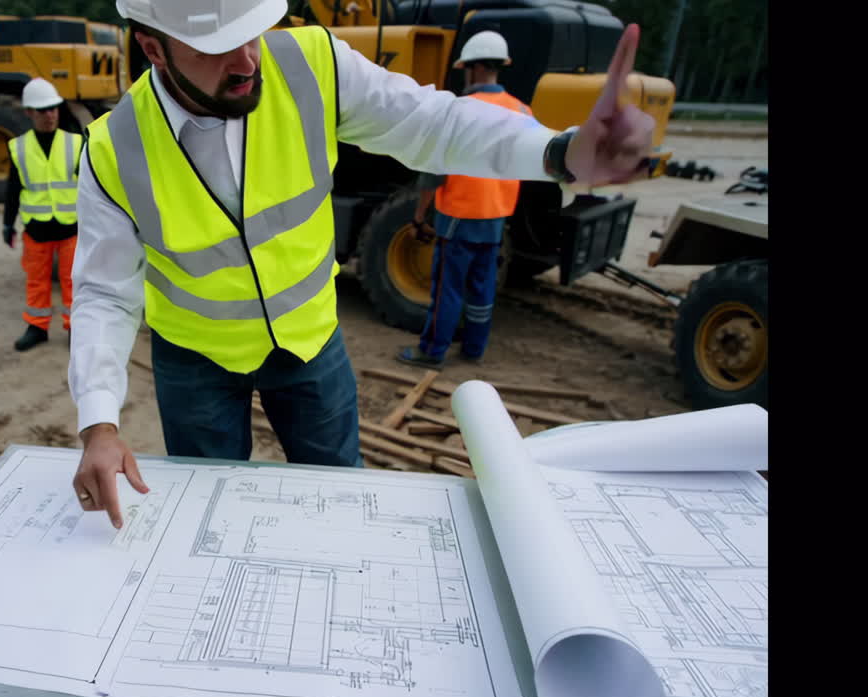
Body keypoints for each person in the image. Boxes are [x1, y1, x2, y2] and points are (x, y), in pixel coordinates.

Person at [70, 0, 655, 528]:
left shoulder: (310, 64)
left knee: (341, 494)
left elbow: (433, 123)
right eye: (217, 47)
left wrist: (559, 151)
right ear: (154, 49)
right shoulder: (113, 149)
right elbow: (104, 292)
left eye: (253, 33)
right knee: (209, 506)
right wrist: (100, 424)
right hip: (196, 357)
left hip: (309, 337)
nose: (247, 61)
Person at [397, 31, 532, 369]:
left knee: (448, 288)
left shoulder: (457, 111)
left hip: (459, 214)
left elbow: (433, 173)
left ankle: (432, 351)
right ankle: (473, 349)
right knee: (482, 286)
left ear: (474, 68)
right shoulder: (521, 111)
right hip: (495, 216)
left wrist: (419, 216)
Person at [3, 78, 83, 352]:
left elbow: (90, 188)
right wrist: (7, 224)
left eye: (53, 109)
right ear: (29, 112)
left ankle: (75, 328)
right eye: (42, 110)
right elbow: (13, 189)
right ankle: (37, 327)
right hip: (36, 229)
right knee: (37, 281)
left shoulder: (75, 143)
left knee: (74, 281)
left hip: (70, 228)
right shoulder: (19, 148)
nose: (49, 115)